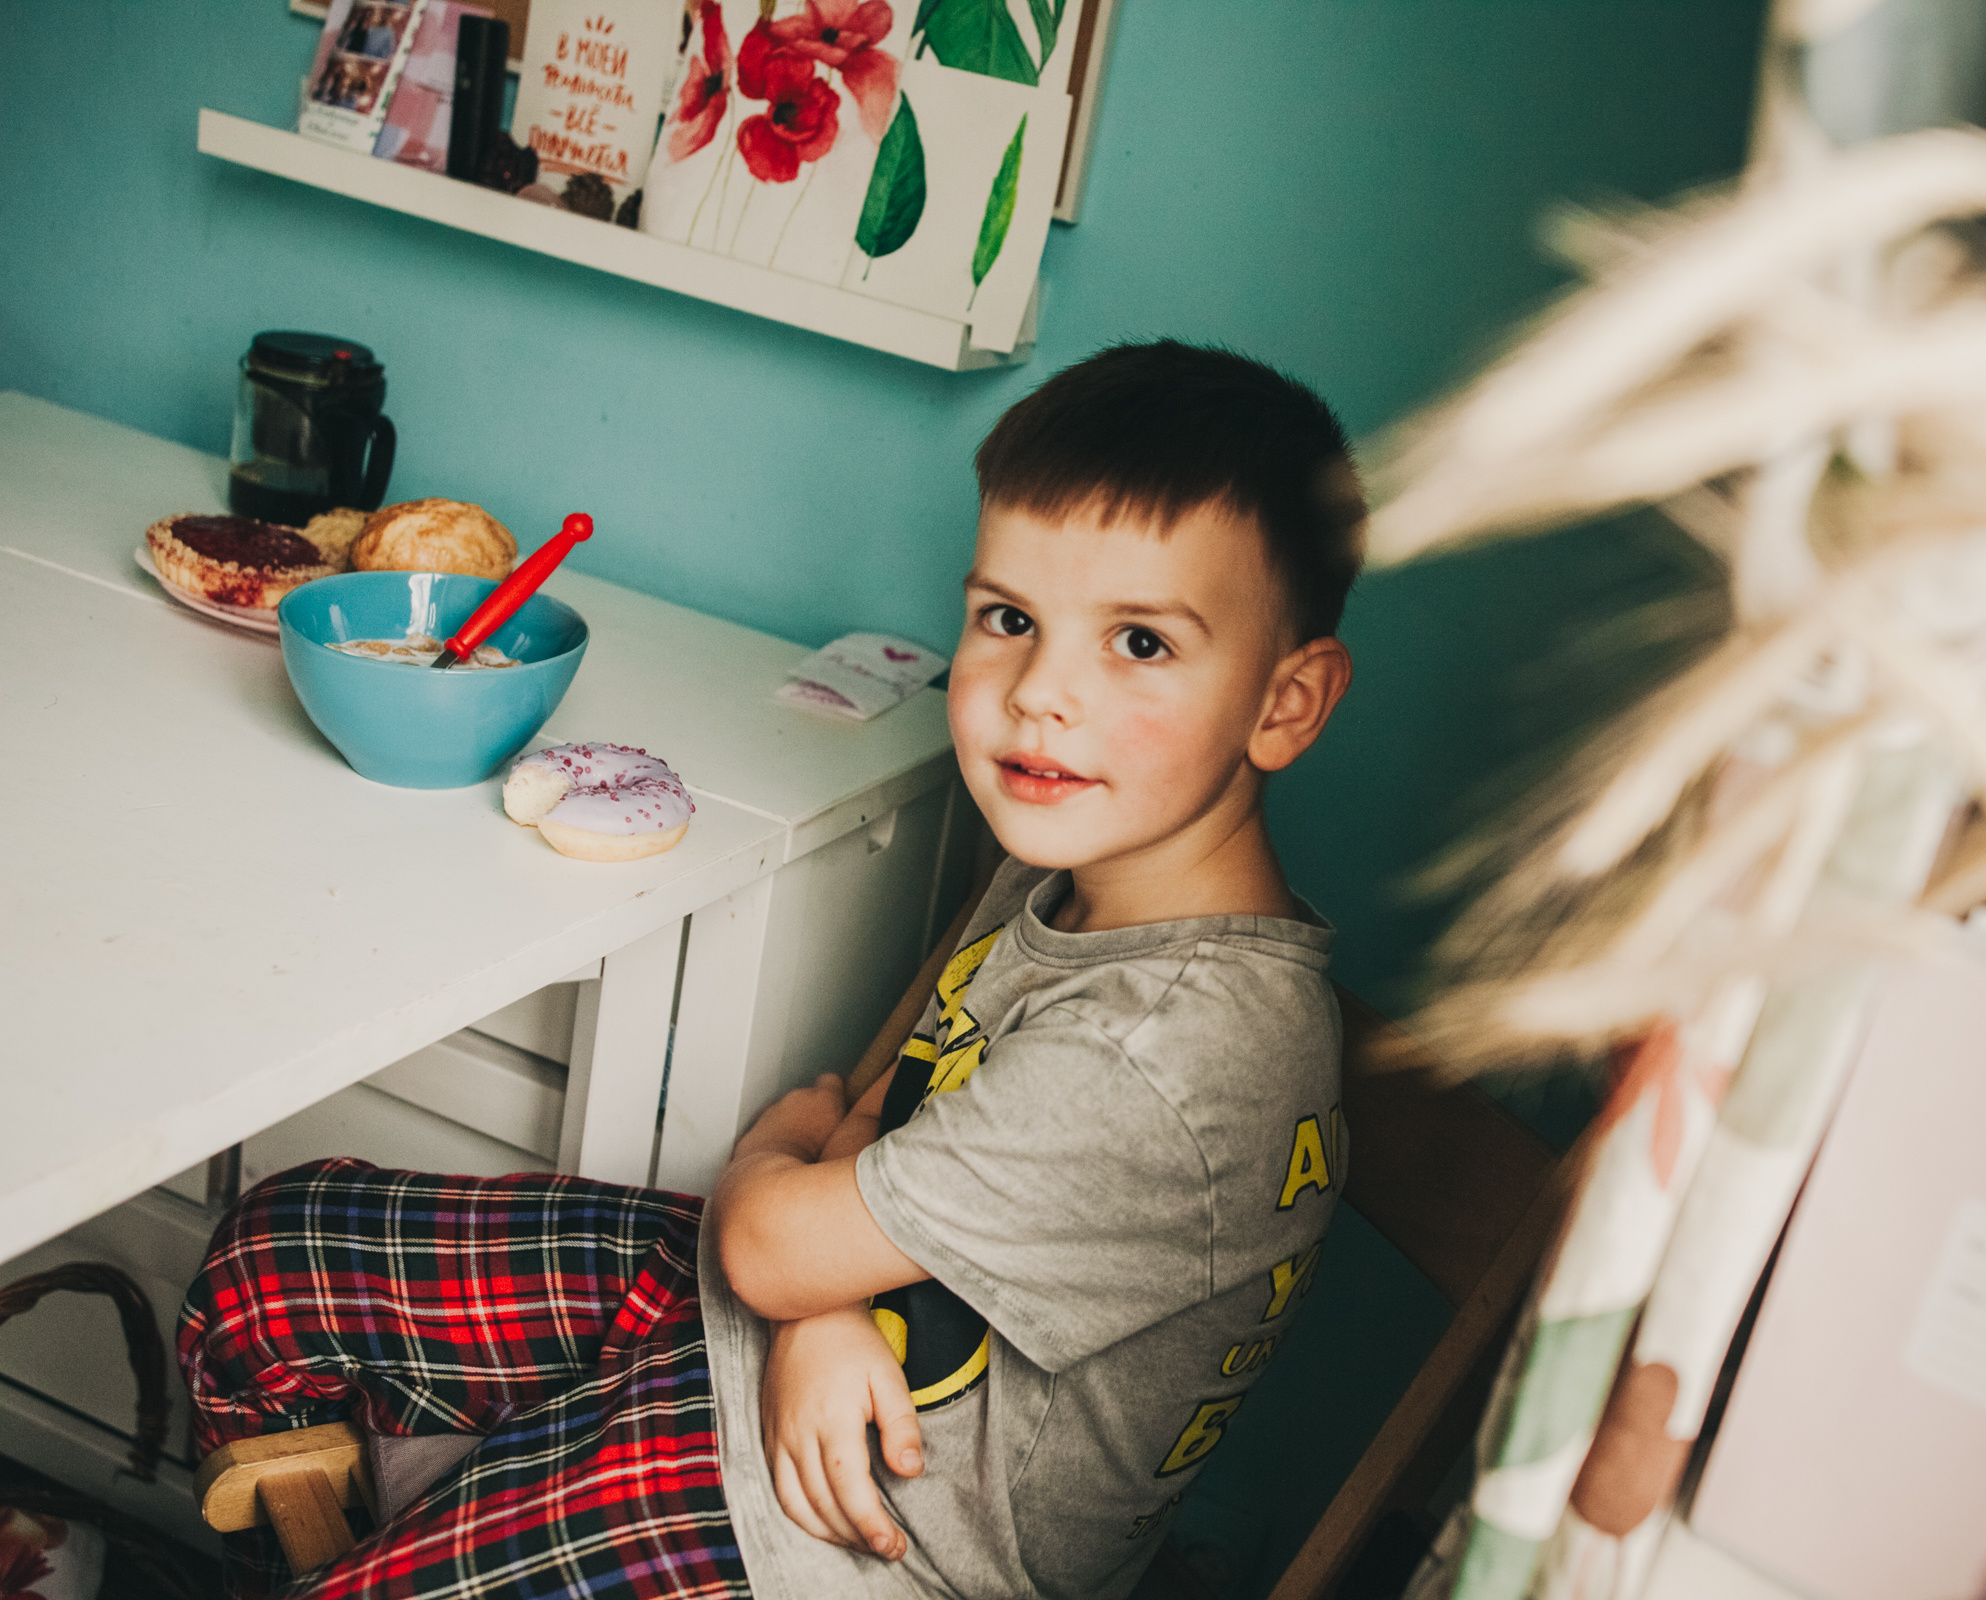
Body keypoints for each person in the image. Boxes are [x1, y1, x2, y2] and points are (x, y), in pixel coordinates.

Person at [179, 339, 1363, 1600]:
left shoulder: (1168, 1054)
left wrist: (784, 1223)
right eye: (1009, 619)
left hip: (851, 1536)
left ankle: (431, 1529)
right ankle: (440, 1508)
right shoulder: (1081, 847)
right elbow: (871, 1093)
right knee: (272, 1253)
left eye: (1139, 643)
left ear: (1285, 704)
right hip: (794, 1342)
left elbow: (784, 1210)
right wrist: (816, 1302)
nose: (1038, 696)